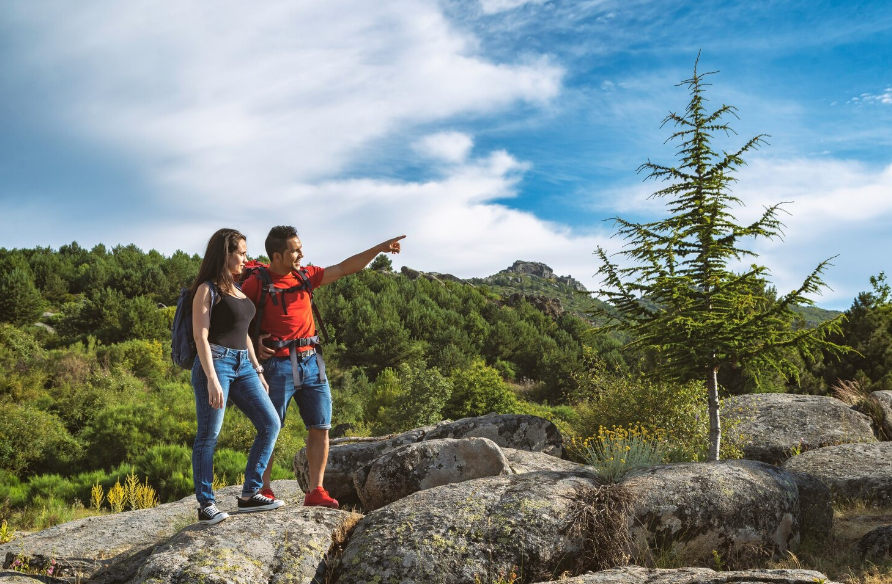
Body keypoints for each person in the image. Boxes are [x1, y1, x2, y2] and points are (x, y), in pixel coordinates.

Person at [241, 226, 404, 508]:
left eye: (300, 247)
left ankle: (315, 491)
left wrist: (378, 248)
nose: (301, 253)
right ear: (277, 255)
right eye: (295, 249)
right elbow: (234, 319)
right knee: (268, 427)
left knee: (321, 426)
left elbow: (344, 268)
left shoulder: (305, 275)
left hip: (312, 361)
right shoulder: (257, 283)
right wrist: (254, 342)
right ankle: (262, 490)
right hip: (276, 365)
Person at [190, 228, 284, 525]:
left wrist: (257, 369)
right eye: (241, 253)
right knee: (209, 435)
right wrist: (212, 379)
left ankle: (249, 494)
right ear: (225, 254)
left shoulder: (237, 289)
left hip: (244, 365)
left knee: (270, 423)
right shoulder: (207, 289)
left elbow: (243, 335)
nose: (246, 258)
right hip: (215, 363)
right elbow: (200, 336)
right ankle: (206, 504)